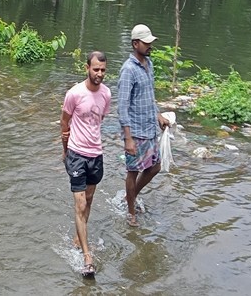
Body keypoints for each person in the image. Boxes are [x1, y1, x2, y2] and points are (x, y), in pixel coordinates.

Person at [60, 51, 111, 278]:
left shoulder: (107, 94)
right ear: (86, 68)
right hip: (77, 154)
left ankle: (77, 237)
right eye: (95, 69)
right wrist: (65, 152)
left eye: (102, 70)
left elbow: (98, 121)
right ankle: (87, 257)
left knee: (89, 200)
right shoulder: (74, 93)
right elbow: (64, 121)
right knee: (80, 205)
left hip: (96, 155)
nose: (99, 74)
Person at [118, 24, 170, 227]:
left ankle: (130, 196)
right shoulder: (128, 70)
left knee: (155, 166)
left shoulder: (148, 64)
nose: (150, 46)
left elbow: (149, 95)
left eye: (150, 43)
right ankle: (131, 211)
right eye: (146, 43)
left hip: (149, 128)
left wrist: (158, 115)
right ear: (135, 43)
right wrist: (128, 138)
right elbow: (122, 107)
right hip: (136, 131)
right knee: (133, 171)